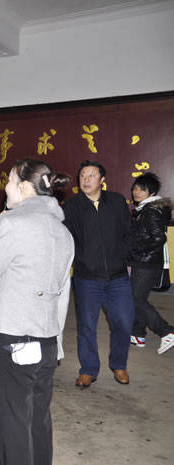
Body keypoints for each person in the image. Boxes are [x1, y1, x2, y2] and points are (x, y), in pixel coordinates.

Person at [0, 159, 73, 465]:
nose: (4, 188)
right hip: (48, 339)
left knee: (13, 421)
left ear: (25, 187)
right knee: (37, 417)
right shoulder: (63, 231)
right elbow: (63, 293)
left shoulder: (13, 223)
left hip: (16, 336)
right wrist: (56, 342)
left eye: (9, 181)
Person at [63, 160, 134, 388]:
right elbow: (67, 240)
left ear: (102, 180)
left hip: (118, 277)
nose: (86, 179)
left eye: (91, 175)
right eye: (82, 175)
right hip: (87, 278)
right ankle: (88, 369)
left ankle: (119, 364)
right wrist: (80, 259)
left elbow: (128, 232)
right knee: (86, 325)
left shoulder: (117, 201)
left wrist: (124, 255)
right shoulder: (72, 207)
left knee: (123, 322)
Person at [128, 173, 174, 354]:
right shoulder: (146, 209)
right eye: (135, 188)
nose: (136, 192)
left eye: (142, 189)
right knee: (138, 298)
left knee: (135, 299)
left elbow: (158, 238)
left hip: (145, 263)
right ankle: (138, 334)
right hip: (145, 261)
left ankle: (166, 331)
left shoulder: (151, 211)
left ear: (152, 192)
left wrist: (135, 250)